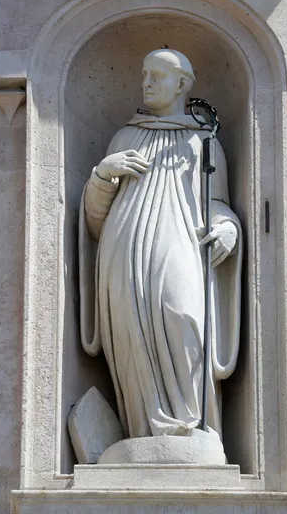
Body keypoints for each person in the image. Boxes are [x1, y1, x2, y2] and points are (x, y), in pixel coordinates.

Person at [79, 49, 242, 446]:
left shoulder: (203, 142)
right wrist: (103, 175)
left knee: (184, 317)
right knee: (131, 338)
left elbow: (216, 204)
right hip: (122, 254)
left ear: (183, 84)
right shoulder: (124, 136)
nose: (146, 83)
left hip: (180, 244)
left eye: (157, 76)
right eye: (144, 75)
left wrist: (227, 229)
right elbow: (94, 222)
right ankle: (142, 433)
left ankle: (192, 429)